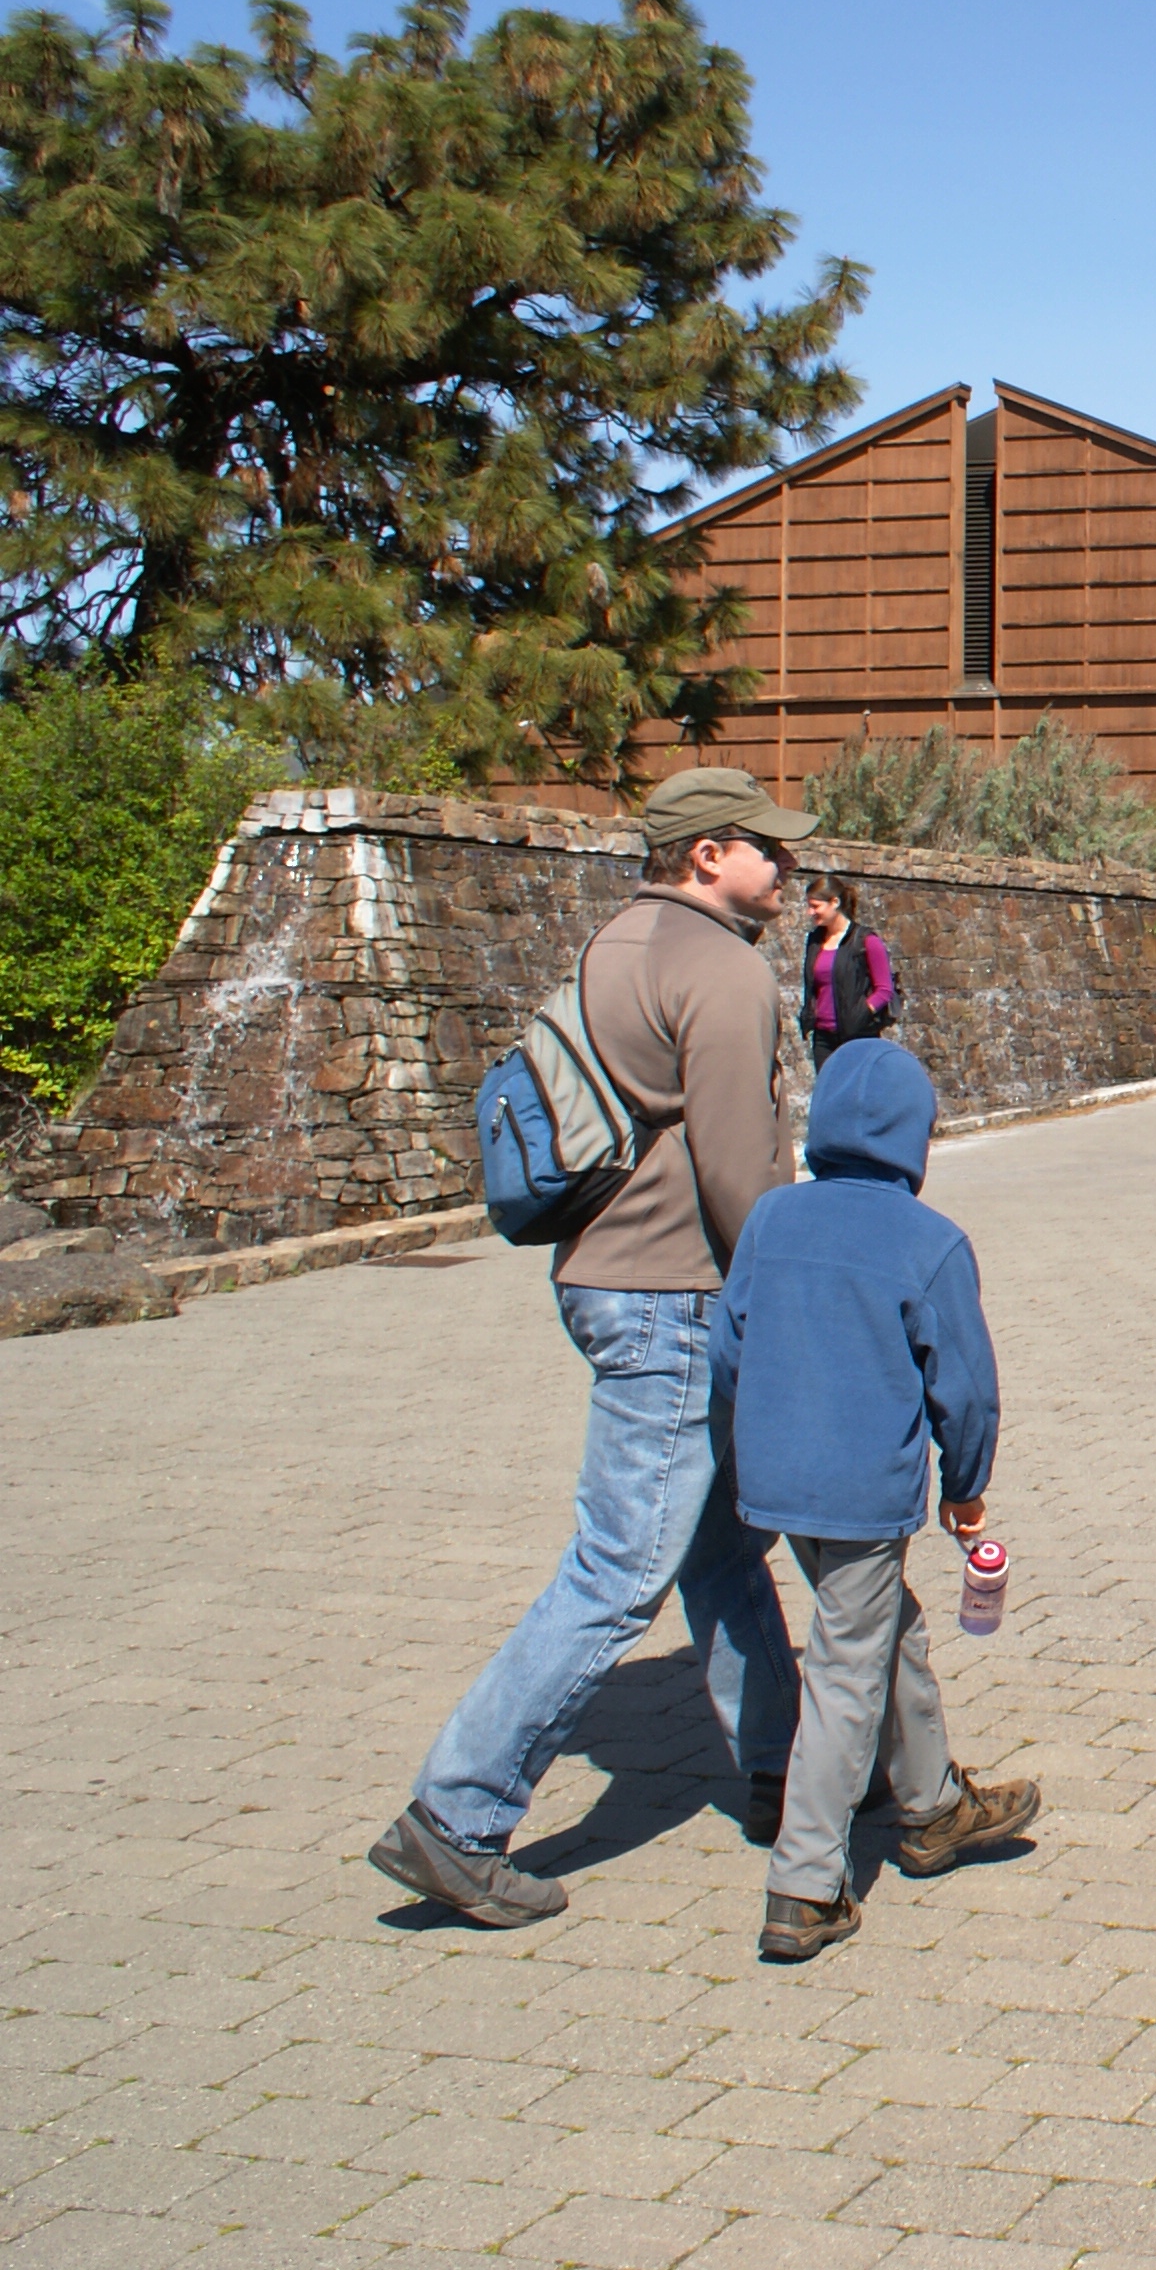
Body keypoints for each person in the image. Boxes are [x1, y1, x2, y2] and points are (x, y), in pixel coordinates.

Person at [370, 767, 814, 1928]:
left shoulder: (615, 940)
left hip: (605, 1275)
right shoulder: (721, 968)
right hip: (674, 1290)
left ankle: (786, 1769)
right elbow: (734, 1168)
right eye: (767, 848)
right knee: (622, 1571)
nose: (787, 867)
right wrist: (794, 1294)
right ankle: (455, 1816)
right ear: (708, 853)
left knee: (716, 1548)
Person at [713, 1037, 1041, 1961]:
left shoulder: (773, 1219)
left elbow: (729, 1352)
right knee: (847, 1666)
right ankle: (806, 1885)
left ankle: (933, 1802)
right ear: (914, 1139)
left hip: (776, 1483)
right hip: (865, 1488)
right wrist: (966, 1486)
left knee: (883, 1625)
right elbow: (966, 1389)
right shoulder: (928, 1243)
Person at [797, 874, 896, 1072]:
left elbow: (884, 990)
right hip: (823, 1039)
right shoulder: (815, 941)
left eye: (815, 906)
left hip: (858, 1037)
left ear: (835, 902)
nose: (810, 912)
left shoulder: (866, 941)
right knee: (829, 1096)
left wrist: (861, 1013)